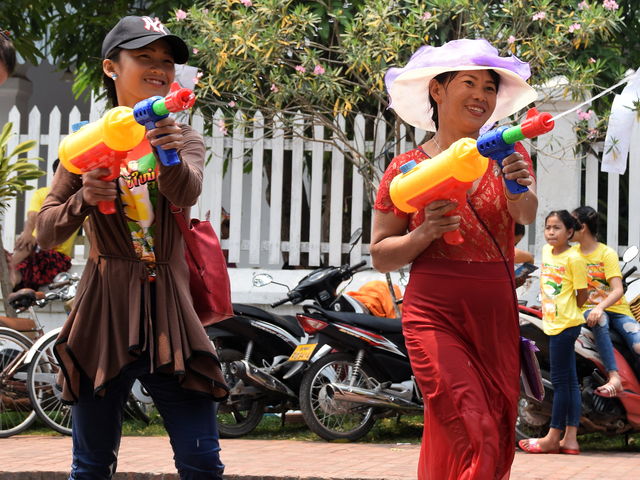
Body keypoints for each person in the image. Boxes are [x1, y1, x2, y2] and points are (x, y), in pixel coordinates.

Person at [36, 16, 228, 479]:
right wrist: (84, 198)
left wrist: (166, 155)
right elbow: (45, 232)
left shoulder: (182, 138)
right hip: (103, 313)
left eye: (167, 62)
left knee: (202, 462)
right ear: (111, 67)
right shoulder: (83, 145)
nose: (160, 68)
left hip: (171, 314)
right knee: (92, 465)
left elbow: (186, 193)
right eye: (144, 57)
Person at [371, 38, 538, 480]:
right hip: (435, 313)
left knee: (499, 435)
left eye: (489, 87)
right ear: (438, 91)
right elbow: (381, 255)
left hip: (497, 313)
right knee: (474, 427)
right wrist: (425, 232)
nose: (482, 95)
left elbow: (525, 215)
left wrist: (518, 185)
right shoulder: (405, 169)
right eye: (470, 82)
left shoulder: (510, 152)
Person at [519, 210, 588, 455]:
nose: (551, 232)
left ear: (569, 232)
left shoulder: (575, 258)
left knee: (560, 383)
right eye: (548, 227)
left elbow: (583, 294)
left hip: (565, 326)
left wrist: (567, 312)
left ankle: (552, 436)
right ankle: (570, 439)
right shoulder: (547, 252)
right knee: (569, 383)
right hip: (552, 322)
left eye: (557, 228)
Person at [571, 205, 640, 397]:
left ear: (582, 227)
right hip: (588, 310)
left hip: (618, 310)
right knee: (599, 320)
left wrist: (600, 307)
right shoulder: (571, 256)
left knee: (637, 345)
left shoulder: (606, 253)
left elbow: (618, 290)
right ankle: (614, 376)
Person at [9, 160, 78, 290]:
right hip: (32, 252)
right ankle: (9, 274)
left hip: (57, 257)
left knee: (28, 250)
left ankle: (8, 268)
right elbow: (32, 215)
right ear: (55, 176)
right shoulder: (42, 193)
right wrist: (28, 233)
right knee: (25, 250)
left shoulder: (78, 200)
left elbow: (89, 225)